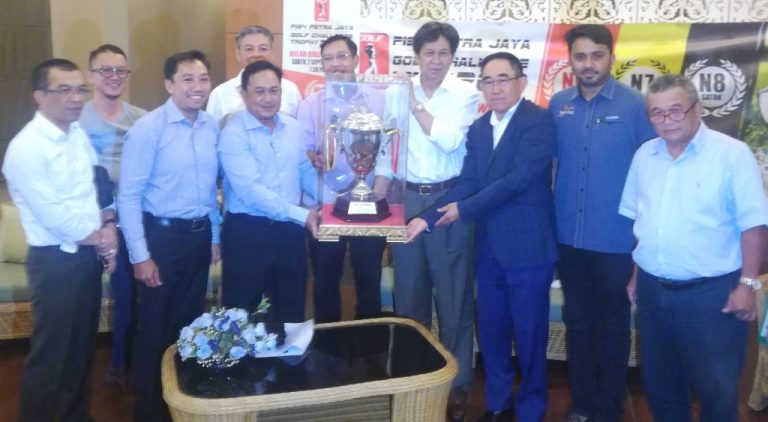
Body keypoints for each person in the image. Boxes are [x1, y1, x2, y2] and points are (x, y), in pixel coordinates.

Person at [407, 52, 558, 422]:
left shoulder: (539, 121)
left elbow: (517, 181)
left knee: (530, 334)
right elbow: (469, 182)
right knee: (491, 330)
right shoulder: (478, 128)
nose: (495, 88)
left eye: (503, 79)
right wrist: (427, 218)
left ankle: (531, 410)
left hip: (528, 248)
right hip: (488, 248)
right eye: (488, 81)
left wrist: (463, 209)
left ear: (521, 82)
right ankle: (496, 403)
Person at [619, 74, 768, 422]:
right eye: (657, 113)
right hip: (653, 292)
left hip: (711, 296)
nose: (667, 120)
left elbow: (754, 225)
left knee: (717, 390)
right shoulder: (645, 155)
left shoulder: (731, 155)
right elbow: (646, 223)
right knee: (660, 386)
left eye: (676, 110)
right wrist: (637, 274)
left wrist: (748, 285)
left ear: (697, 109)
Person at [549, 24, 656, 422]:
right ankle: (580, 405)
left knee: (613, 328)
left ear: (611, 57)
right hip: (568, 239)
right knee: (577, 324)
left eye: (597, 55)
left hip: (617, 240)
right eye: (580, 56)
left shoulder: (636, 106)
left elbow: (653, 172)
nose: (588, 64)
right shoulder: (559, 105)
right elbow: (551, 167)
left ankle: (608, 408)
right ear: (570, 61)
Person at [375, 21, 480, 421]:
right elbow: (387, 148)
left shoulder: (465, 94)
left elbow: (450, 140)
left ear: (453, 57)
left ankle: (458, 383)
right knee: (409, 296)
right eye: (429, 53)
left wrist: (415, 104)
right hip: (405, 198)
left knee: (453, 300)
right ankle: (414, 378)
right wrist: (375, 198)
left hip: (448, 200)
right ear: (417, 56)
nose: (436, 60)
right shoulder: (395, 93)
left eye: (443, 53)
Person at [3, 58, 118, 421]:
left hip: (85, 257)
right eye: (64, 90)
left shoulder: (77, 134)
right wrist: (101, 239)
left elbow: (95, 184)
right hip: (55, 263)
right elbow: (53, 214)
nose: (75, 98)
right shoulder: (26, 147)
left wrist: (108, 225)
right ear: (40, 96)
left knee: (81, 351)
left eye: (80, 89)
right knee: (51, 357)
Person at [117, 50, 221, 422]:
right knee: (154, 327)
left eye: (203, 78)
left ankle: (181, 404)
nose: (197, 87)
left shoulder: (211, 126)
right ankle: (149, 410)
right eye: (187, 79)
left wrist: (215, 235)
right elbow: (128, 196)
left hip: (198, 237)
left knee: (188, 324)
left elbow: (209, 189)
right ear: (169, 85)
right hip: (160, 239)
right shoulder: (148, 128)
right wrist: (140, 256)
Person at [218, 60, 318, 322]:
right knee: (241, 314)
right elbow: (249, 190)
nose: (268, 98)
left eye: (274, 91)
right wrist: (302, 214)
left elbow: (304, 170)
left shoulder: (292, 127)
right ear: (244, 94)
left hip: (290, 233)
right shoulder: (233, 133)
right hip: (248, 232)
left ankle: (289, 351)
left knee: (291, 309)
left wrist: (333, 204)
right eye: (259, 91)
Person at [296, 34, 387, 323]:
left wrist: (378, 195)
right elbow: (303, 156)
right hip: (324, 206)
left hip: (369, 205)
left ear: (356, 60)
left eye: (342, 56)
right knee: (325, 282)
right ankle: (328, 346)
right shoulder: (310, 105)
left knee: (369, 282)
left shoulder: (379, 99)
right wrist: (314, 159)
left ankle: (368, 344)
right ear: (322, 64)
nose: (336, 64)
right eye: (329, 59)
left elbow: (388, 150)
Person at [79, 43, 146, 389]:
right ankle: (77, 372)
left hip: (126, 221)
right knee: (81, 301)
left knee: (128, 297)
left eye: (120, 70)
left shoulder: (141, 119)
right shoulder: (77, 119)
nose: (114, 76)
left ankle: (122, 362)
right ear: (91, 75)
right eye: (105, 70)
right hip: (82, 224)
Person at [207, 25, 302, 122]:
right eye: (249, 49)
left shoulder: (290, 89)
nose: (256, 54)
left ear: (272, 52)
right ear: (238, 54)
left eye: (263, 49)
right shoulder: (220, 94)